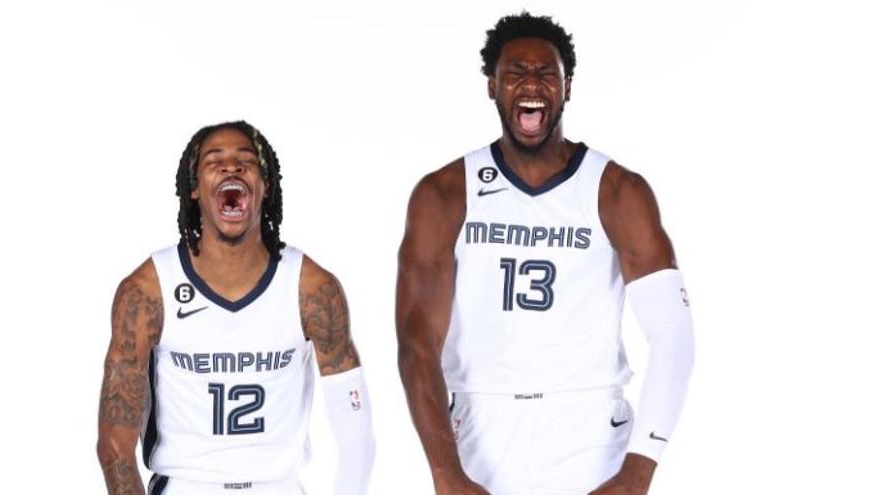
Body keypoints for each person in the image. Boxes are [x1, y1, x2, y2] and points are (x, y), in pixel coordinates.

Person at [396, 12, 694, 495]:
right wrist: (445, 471)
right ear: (492, 86)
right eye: (515, 72)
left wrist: (639, 471)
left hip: (591, 431)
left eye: (545, 73)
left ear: (567, 87)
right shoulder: (445, 193)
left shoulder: (617, 191)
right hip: (479, 428)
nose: (530, 83)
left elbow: (673, 333)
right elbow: (416, 342)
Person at [97, 121, 375, 495]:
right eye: (215, 160)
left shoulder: (311, 288)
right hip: (186, 485)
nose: (232, 167)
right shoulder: (148, 290)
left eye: (246, 161)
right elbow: (115, 443)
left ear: (266, 185)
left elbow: (355, 433)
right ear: (194, 188)